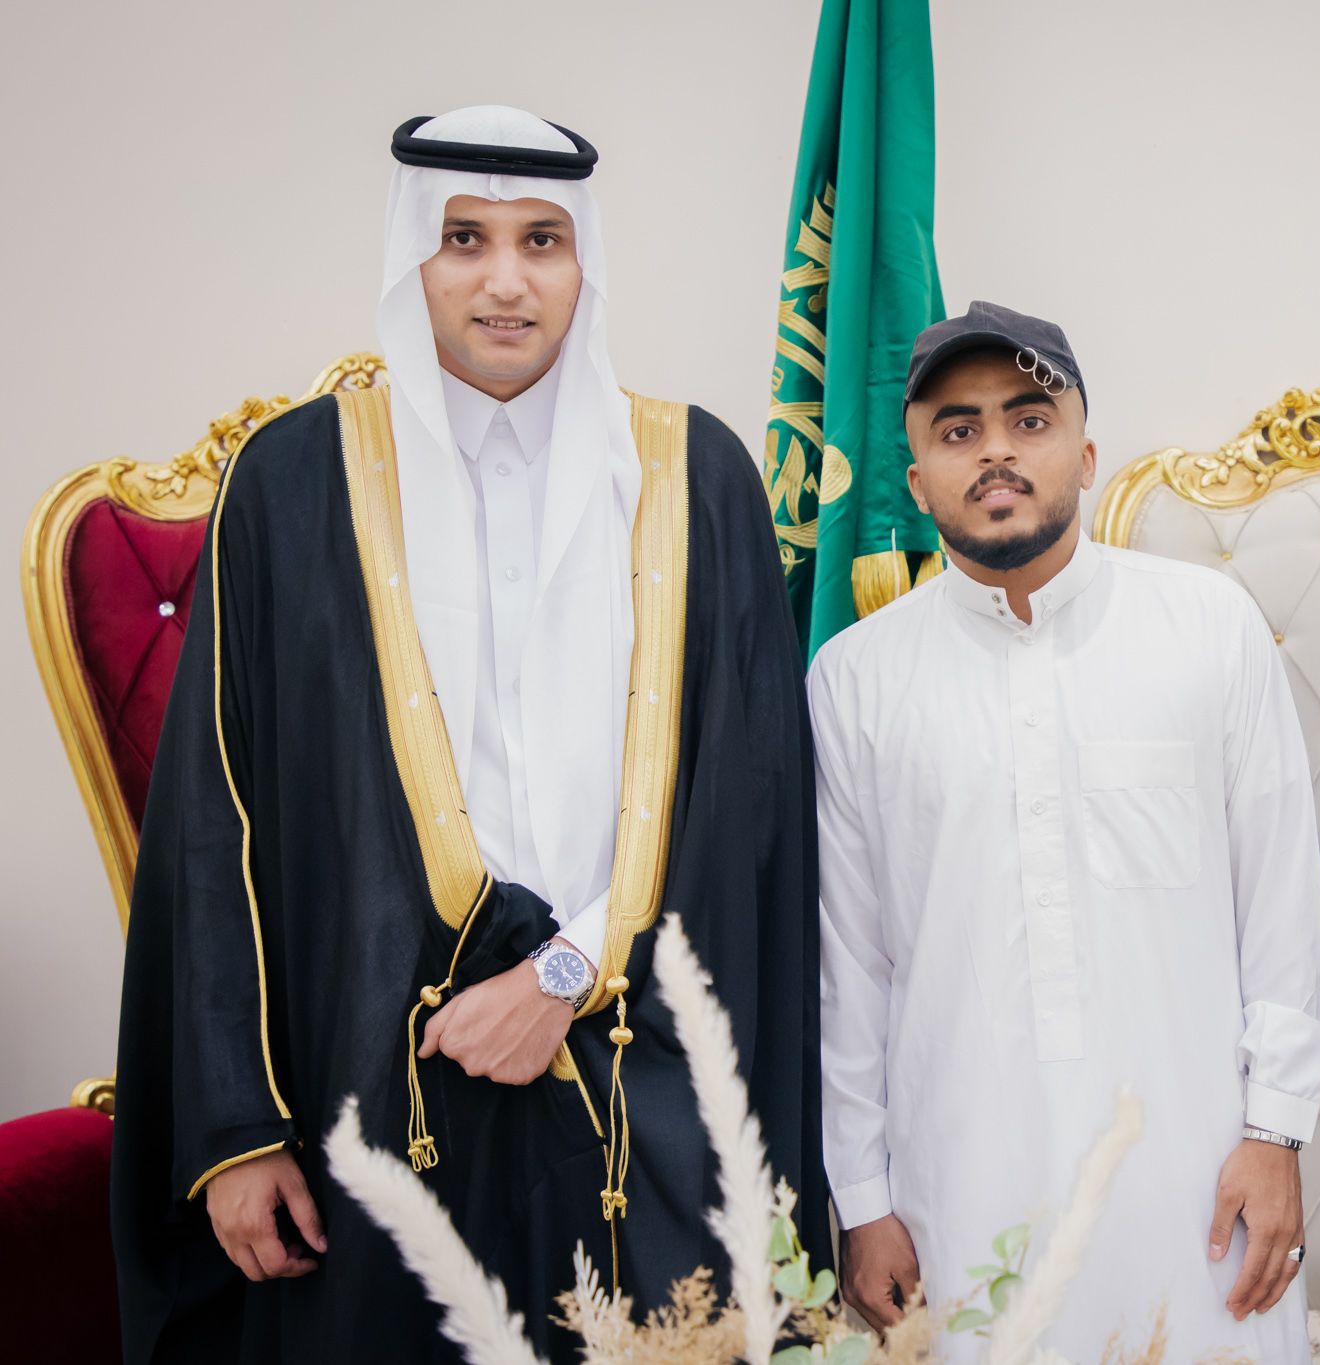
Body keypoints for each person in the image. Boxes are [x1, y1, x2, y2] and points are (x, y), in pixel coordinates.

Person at [111, 106, 827, 1363]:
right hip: (367, 1080)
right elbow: (211, 822)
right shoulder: (292, 481)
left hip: (642, 1074)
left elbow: (745, 804)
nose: (505, 281)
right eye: (464, 239)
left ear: (583, 261)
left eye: (542, 239)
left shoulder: (694, 476)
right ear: (414, 259)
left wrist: (562, 975)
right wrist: (237, 1128)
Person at [810, 302, 1320, 1362]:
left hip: (1198, 1187)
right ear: (917, 484)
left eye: (1028, 419)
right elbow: (850, 966)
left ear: (1086, 456)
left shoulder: (1208, 627)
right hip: (959, 1192)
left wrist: (1275, 1130)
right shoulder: (856, 677)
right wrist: (862, 1200)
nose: (995, 450)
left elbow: (1281, 900)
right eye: (957, 429)